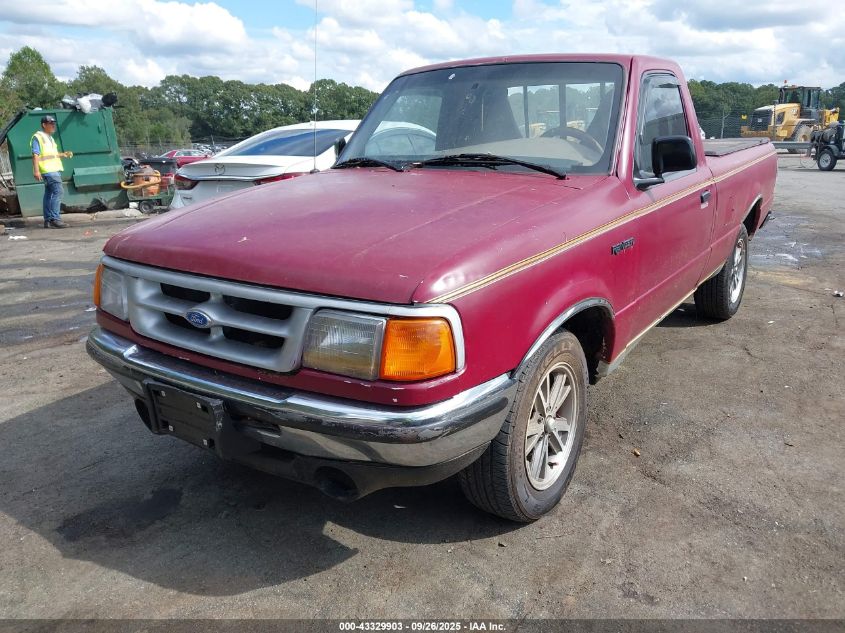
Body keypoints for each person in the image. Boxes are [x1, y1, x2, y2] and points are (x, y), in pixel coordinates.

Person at [31, 115, 73, 229]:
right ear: (44, 125)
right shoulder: (38, 137)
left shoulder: (49, 138)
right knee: (58, 192)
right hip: (49, 171)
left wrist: (62, 154)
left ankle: (48, 220)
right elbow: (35, 155)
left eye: (54, 123)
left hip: (53, 170)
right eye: (50, 123)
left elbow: (51, 154)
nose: (53, 125)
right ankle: (55, 219)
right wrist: (36, 171)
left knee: (49, 194)